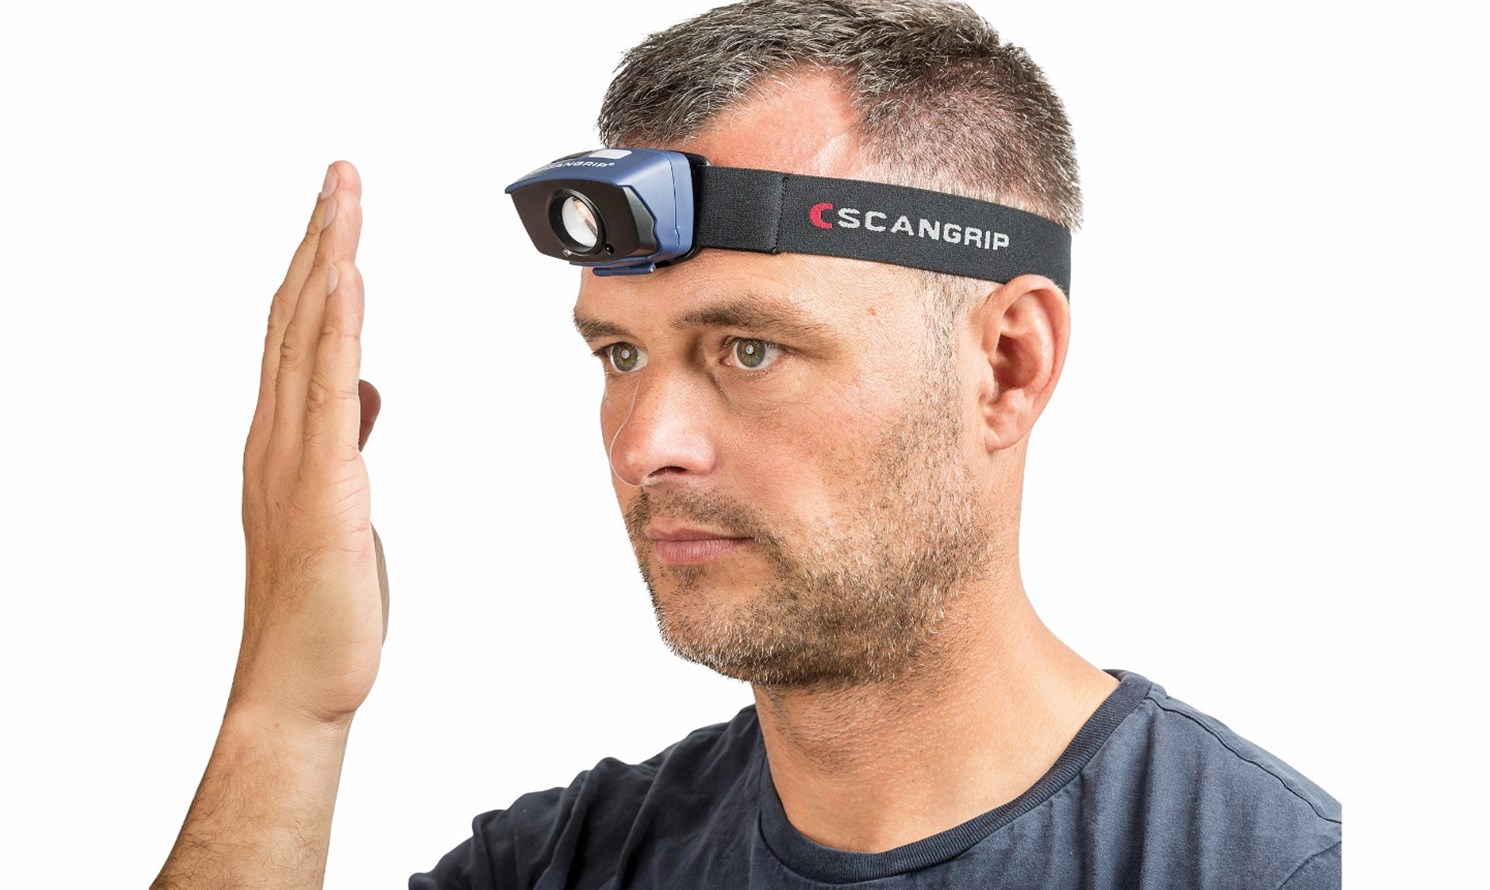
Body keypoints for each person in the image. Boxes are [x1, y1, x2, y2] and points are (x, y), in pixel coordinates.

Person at [153, 1, 1341, 887]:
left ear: (1006, 365)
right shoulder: (565, 864)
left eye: (749, 348)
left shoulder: (1271, 866)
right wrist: (287, 711)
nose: (646, 445)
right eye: (620, 353)